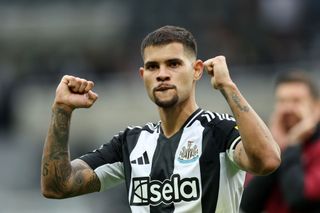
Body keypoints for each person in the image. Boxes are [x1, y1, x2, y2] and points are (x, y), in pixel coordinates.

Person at [41, 25, 281, 212]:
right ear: (143, 75)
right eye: (153, 67)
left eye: (174, 64)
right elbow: (57, 186)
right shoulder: (130, 143)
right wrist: (61, 110)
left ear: (197, 70)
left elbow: (267, 160)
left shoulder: (219, 131)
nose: (162, 74)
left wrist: (228, 86)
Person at [240, 71, 320, 213]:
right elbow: (248, 203)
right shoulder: (270, 147)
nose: (288, 108)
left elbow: (301, 200)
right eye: (282, 101)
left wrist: (292, 145)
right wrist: (276, 150)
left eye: (296, 101)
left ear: (316, 107)